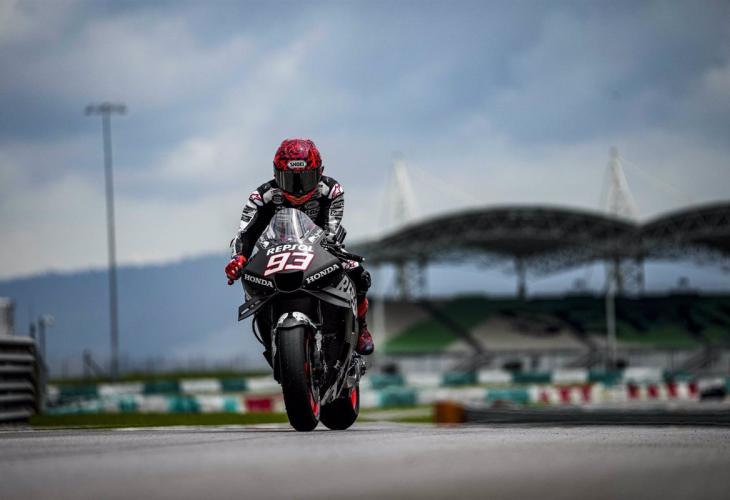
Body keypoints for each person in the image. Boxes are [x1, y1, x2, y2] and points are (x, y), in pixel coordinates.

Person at [225, 138, 374, 355]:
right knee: (250, 280)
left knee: (360, 275)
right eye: (289, 180)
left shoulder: (332, 190)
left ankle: (362, 327)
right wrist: (238, 257)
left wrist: (331, 245)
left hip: (321, 249)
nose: (298, 190)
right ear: (276, 175)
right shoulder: (261, 197)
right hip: (276, 253)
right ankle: (270, 335)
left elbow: (331, 231)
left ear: (320, 173)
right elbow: (245, 233)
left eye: (305, 179)